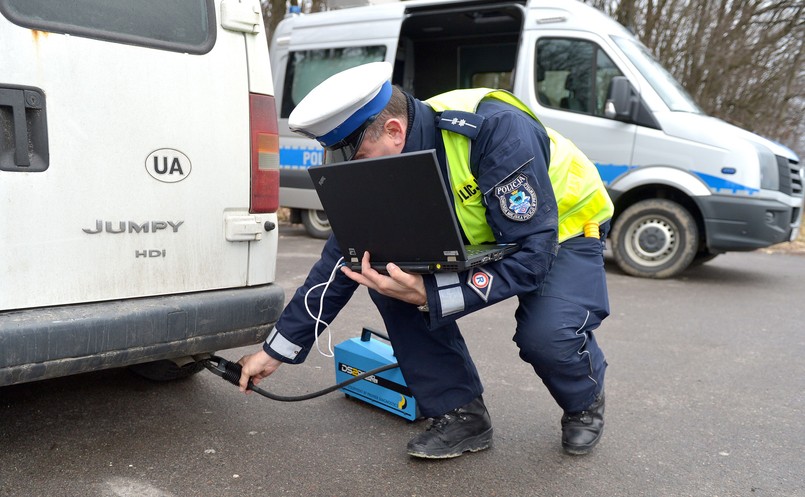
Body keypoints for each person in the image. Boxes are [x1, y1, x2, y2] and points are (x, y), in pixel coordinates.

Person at [238, 61, 614, 459]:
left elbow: (531, 257)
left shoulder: (495, 131)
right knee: (387, 278)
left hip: (563, 229)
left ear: (394, 131)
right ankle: (461, 413)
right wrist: (277, 348)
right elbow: (342, 258)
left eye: (358, 155)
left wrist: (431, 295)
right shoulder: (387, 158)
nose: (354, 170)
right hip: (484, 236)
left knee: (546, 336)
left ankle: (584, 401)